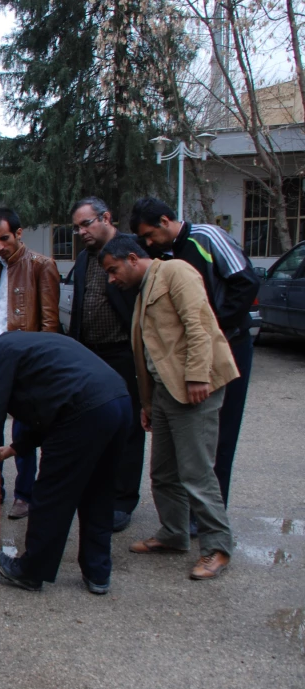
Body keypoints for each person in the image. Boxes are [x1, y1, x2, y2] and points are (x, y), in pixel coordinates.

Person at [99, 235, 240, 581]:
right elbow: (149, 352)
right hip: (163, 393)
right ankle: (174, 534)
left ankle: (217, 547)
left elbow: (199, 325)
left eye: (114, 270)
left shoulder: (176, 271)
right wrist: (147, 402)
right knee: (163, 471)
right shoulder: (143, 288)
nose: (111, 279)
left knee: (196, 472)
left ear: (133, 258)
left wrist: (196, 376)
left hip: (193, 387)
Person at [0, 328, 131, 594]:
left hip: (84, 411)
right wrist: (13, 449)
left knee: (52, 495)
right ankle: (98, 572)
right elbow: (49, 406)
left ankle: (31, 570)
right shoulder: (28, 346)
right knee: (99, 491)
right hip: (118, 401)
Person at [129, 197, 259, 507]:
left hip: (228, 344)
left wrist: (213, 327)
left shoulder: (207, 237)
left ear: (165, 220)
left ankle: (212, 512)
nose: (149, 243)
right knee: (190, 437)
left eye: (150, 235)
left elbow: (246, 283)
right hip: (188, 354)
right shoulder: (163, 254)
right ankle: (187, 511)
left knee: (221, 433)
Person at [66, 198, 145, 533]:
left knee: (128, 427)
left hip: (124, 354)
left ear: (107, 217)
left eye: (86, 224)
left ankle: (123, 500)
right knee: (93, 423)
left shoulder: (131, 252)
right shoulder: (84, 259)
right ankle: (95, 491)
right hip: (91, 356)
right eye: (77, 227)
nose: (81, 232)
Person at [0, 207, 61, 518]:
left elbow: (50, 323)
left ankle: (24, 494)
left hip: (27, 358)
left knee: (25, 430)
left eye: (4, 238)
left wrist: (41, 363)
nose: (0, 246)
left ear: (18, 233)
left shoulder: (42, 265)